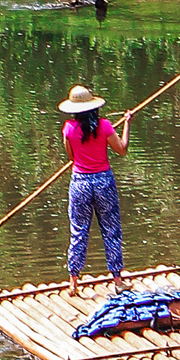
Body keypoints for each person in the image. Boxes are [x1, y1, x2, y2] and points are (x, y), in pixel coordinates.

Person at [58, 85, 130, 295]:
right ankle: (117, 280)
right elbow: (122, 149)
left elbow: (72, 157)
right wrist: (127, 124)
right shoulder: (105, 126)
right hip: (103, 182)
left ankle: (73, 282)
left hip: (80, 182)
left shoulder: (68, 129)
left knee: (78, 231)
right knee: (111, 230)